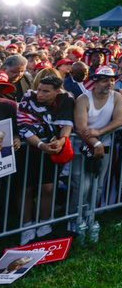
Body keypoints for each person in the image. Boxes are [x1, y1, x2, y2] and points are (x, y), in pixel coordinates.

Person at [16, 75, 75, 244]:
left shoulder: (66, 99)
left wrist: (62, 140)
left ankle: (45, 225)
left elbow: (67, 123)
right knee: (25, 188)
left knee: (48, 187)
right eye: (39, 89)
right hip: (29, 150)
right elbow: (24, 126)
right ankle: (26, 227)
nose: (40, 94)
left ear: (57, 91)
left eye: (45, 91)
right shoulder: (28, 98)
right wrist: (41, 145)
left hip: (52, 149)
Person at [70, 66, 122, 228]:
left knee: (98, 184)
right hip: (82, 146)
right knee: (81, 184)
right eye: (105, 81)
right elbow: (81, 127)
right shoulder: (83, 99)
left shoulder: (116, 97)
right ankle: (74, 219)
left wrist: (99, 132)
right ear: (95, 82)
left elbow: (118, 120)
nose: (109, 84)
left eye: (112, 80)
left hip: (104, 147)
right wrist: (96, 141)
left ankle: (90, 216)